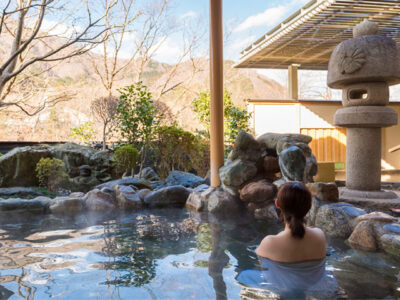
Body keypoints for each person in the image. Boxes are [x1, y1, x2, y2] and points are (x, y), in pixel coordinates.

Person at [237, 181, 338, 299]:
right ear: (309, 206)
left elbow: (261, 264)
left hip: (284, 290)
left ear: (277, 204)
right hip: (316, 287)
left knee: (242, 275)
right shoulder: (319, 235)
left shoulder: (270, 242)